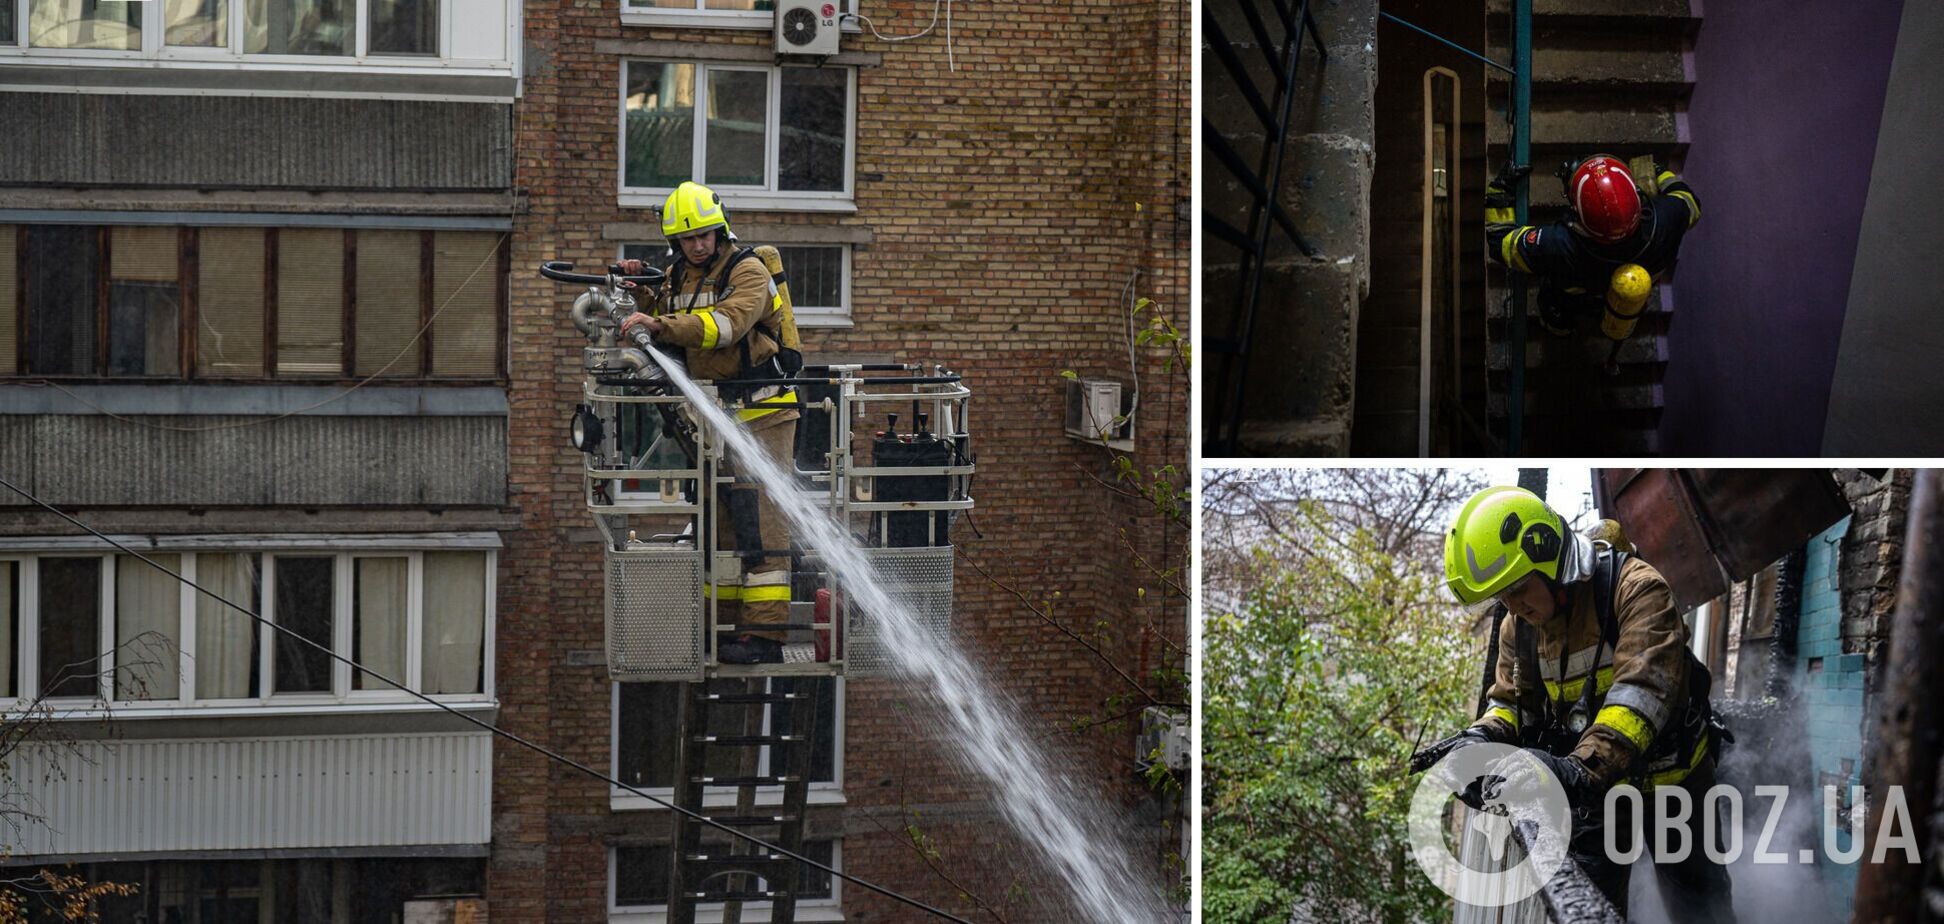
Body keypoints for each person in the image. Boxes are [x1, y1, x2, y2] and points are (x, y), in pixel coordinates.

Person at [1411, 485, 1735, 922]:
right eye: (1502, 595)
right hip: (1598, 793)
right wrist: (1479, 741)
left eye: (1519, 588)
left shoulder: (1637, 590)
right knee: (1591, 906)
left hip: (1674, 785)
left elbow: (1643, 692)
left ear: (1549, 558)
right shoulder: (1518, 627)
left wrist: (1574, 770)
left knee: (1698, 905)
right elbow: (1511, 703)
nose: (1513, 605)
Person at [619, 181, 798, 665]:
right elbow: (660, 325)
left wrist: (659, 324)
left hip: (763, 413)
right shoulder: (676, 277)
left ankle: (766, 638)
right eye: (687, 238)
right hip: (718, 417)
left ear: (721, 230)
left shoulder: (749, 270)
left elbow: (726, 326)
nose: (698, 244)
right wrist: (641, 293)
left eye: (705, 235)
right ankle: (721, 629)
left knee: (761, 522)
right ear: (675, 242)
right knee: (720, 523)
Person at [1486, 154, 1701, 336]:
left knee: (1554, 298)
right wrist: (1659, 172)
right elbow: (1689, 200)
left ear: (1577, 214)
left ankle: (1559, 325)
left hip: (1576, 292)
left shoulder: (1559, 246)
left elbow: (1501, 242)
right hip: (1625, 290)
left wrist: (1499, 194)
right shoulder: (1668, 219)